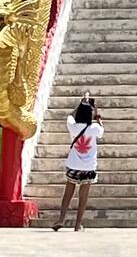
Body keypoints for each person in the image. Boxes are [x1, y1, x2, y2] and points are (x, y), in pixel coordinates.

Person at [53, 94, 103, 231]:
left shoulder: (73, 127)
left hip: (73, 165)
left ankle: (61, 219)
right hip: (89, 167)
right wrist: (97, 114)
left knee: (68, 193)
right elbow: (101, 129)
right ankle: (77, 224)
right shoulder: (94, 128)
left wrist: (80, 104)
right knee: (83, 196)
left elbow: (70, 115)